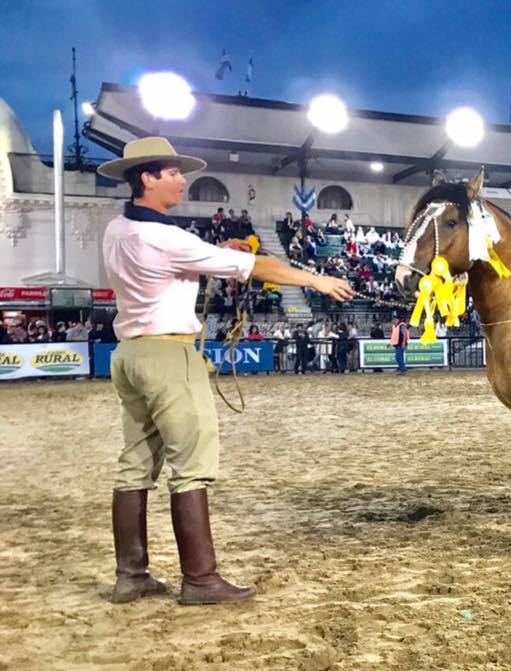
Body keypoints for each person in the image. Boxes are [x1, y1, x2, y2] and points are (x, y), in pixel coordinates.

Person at [96, 136, 354, 607]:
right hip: (169, 356)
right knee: (192, 465)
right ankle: (200, 578)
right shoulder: (166, 237)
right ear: (147, 178)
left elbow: (175, 262)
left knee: (134, 465)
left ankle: (131, 574)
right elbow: (257, 265)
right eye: (171, 172)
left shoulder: (119, 229)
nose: (181, 178)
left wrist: (213, 250)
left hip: (130, 353)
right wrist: (315, 278)